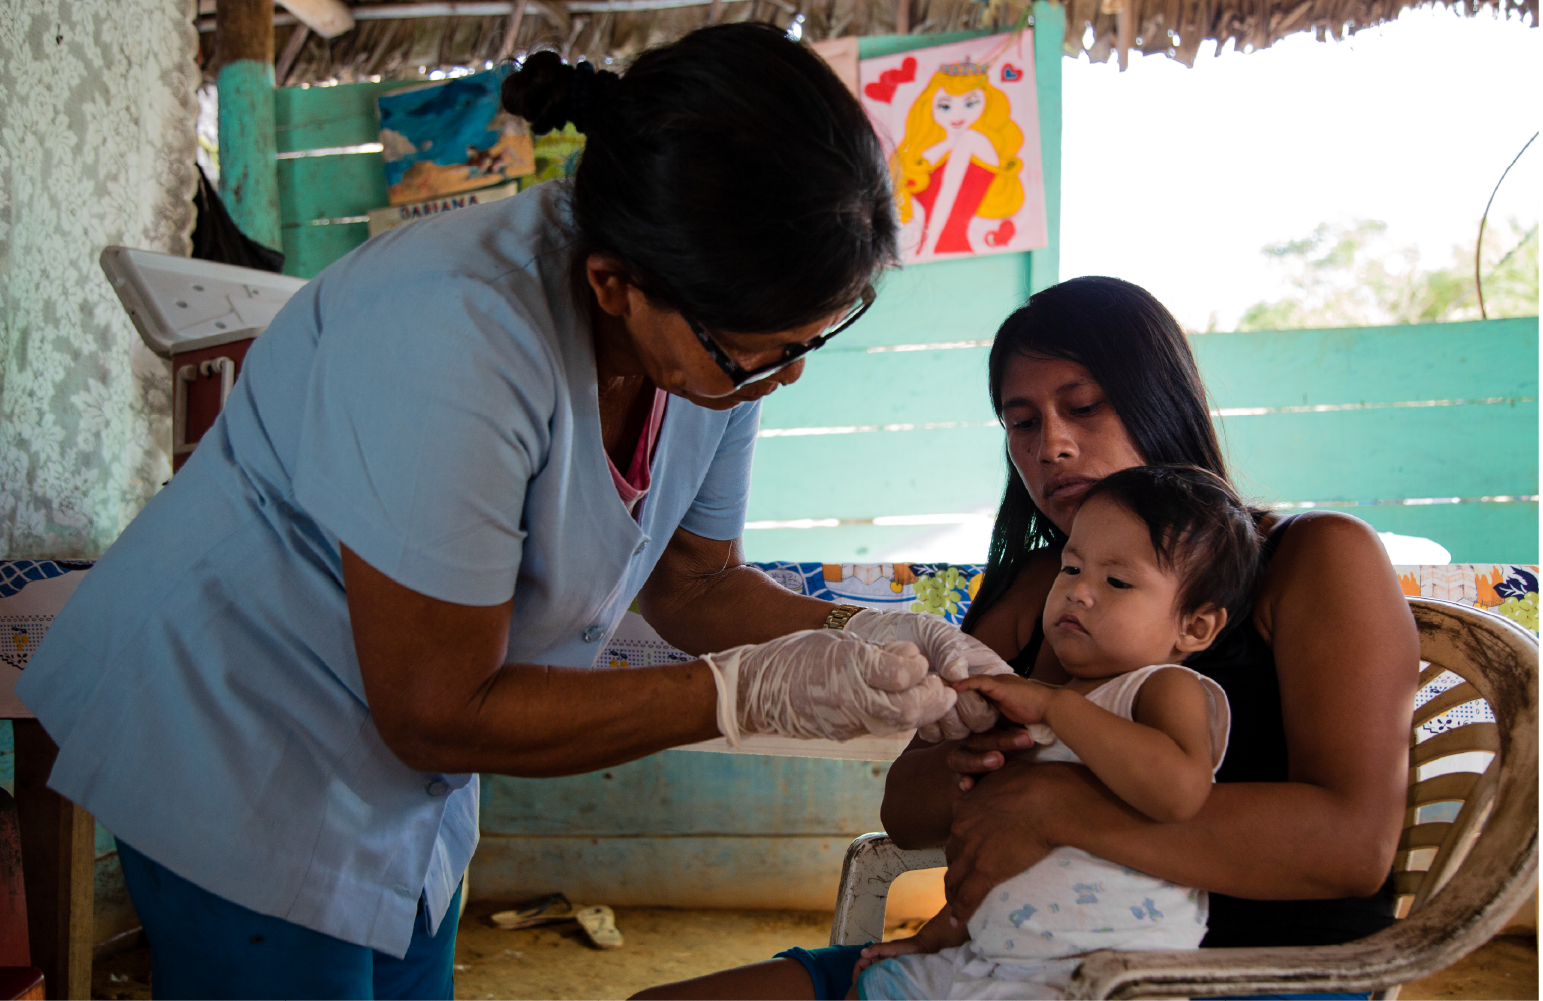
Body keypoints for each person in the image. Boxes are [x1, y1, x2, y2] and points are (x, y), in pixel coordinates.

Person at [16, 26, 1012, 1000]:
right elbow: (437, 709)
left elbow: (698, 585)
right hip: (234, 734)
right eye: (760, 350)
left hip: (402, 774)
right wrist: (740, 693)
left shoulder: (715, 340)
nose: (782, 377)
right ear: (614, 284)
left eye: (808, 342)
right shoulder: (453, 327)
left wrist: (872, 635)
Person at [634, 275, 1417, 1001]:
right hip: (996, 969)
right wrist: (962, 763)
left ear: (1161, 401)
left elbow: (1349, 848)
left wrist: (1053, 803)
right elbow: (905, 810)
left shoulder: (1313, 557)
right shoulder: (1038, 589)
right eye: (1022, 421)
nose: (1051, 445)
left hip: (1246, 976)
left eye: (1084, 407)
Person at [851, 464, 1258, 1000]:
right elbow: (994, 857)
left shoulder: (1161, 688)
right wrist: (934, 937)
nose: (1079, 592)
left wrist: (1054, 704)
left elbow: (1181, 792)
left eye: (1117, 581)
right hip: (992, 962)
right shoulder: (1038, 709)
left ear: (1194, 627)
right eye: (1071, 568)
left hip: (1105, 977)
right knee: (879, 985)